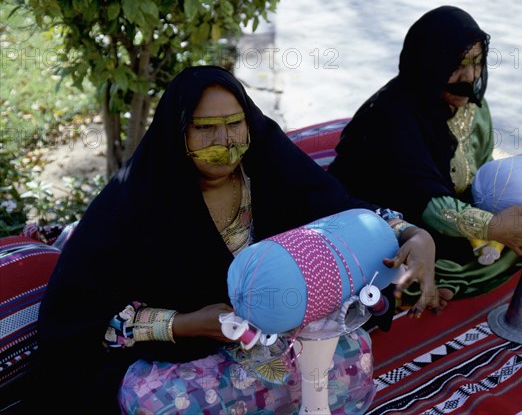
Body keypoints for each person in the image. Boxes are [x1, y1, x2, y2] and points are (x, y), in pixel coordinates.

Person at [26, 66, 442, 415]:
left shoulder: (267, 167)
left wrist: (412, 234)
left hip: (271, 334)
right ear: (178, 133)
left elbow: (342, 211)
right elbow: (80, 317)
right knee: (164, 403)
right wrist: (185, 325)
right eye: (205, 129)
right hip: (176, 354)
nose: (224, 143)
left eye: (234, 124)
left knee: (349, 355)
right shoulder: (134, 201)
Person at [328, 6, 522, 302]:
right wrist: (491, 226)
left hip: (444, 207)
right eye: (456, 65)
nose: (469, 76)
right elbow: (424, 200)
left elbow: (482, 170)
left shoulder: (470, 106)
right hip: (389, 213)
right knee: (406, 266)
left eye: (477, 62)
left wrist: (508, 202)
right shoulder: (393, 118)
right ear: (428, 64)